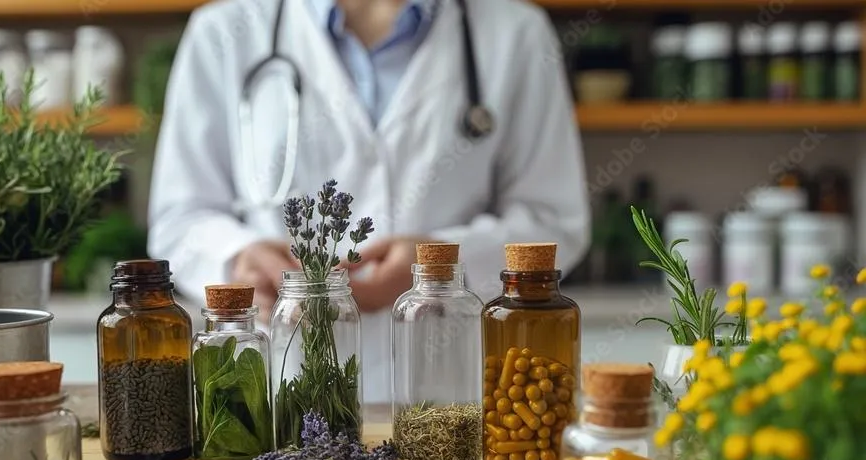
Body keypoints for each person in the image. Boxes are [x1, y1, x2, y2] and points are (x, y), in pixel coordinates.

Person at [148, 0, 590, 404]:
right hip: (281, 377)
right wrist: (239, 261)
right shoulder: (223, 33)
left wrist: (440, 267)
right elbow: (180, 218)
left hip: (447, 383)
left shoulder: (516, 32)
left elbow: (553, 220)